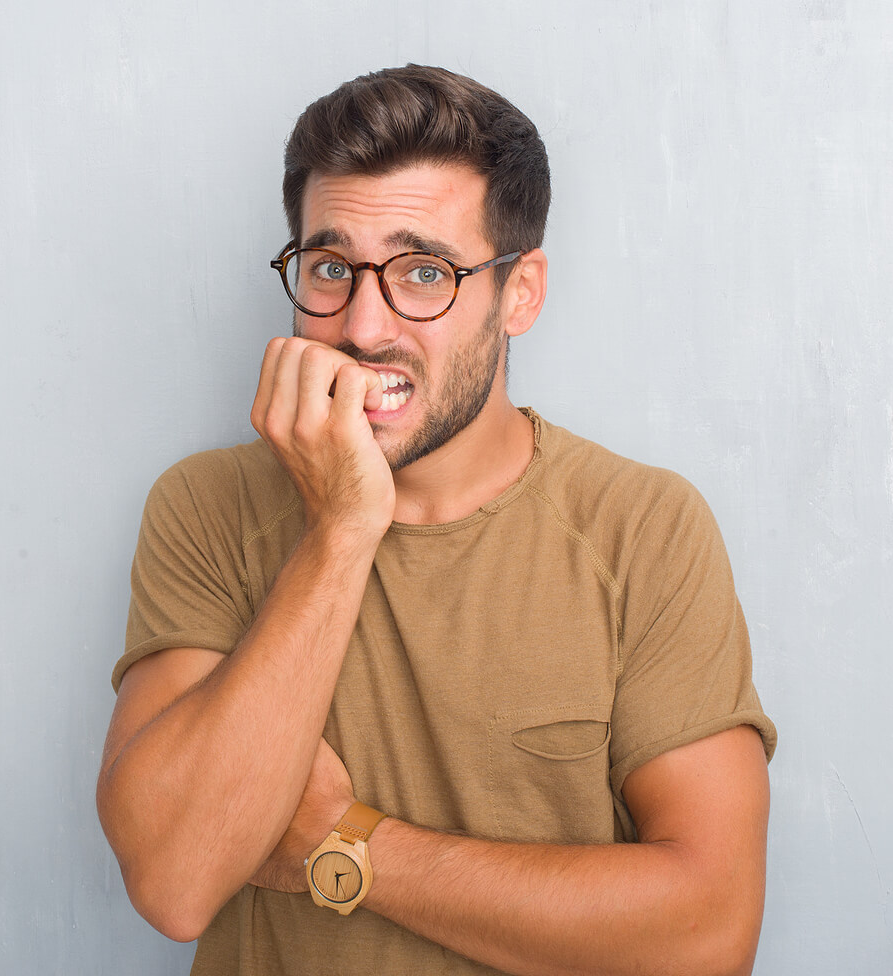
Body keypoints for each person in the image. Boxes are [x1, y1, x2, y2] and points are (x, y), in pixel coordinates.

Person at [96, 64, 776, 976]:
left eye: (424, 273)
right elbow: (176, 882)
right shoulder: (208, 509)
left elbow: (707, 932)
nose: (364, 325)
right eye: (331, 267)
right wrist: (341, 530)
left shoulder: (642, 528)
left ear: (520, 293)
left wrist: (348, 846)